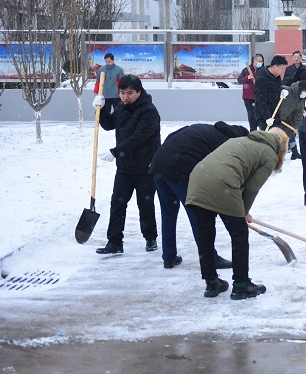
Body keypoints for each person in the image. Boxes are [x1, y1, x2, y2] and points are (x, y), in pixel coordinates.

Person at [185, 128, 288, 300]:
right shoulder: (270, 154)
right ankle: (241, 284)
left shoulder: (238, 140)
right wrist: (243, 212)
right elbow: (252, 187)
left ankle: (211, 282)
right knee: (239, 234)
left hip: (197, 180)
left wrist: (240, 209)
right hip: (223, 184)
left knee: (205, 234)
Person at [149, 121, 250, 269]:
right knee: (199, 215)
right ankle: (211, 258)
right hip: (179, 170)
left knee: (168, 213)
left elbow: (171, 137)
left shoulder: (206, 128)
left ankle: (169, 257)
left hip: (159, 164)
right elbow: (221, 176)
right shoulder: (226, 145)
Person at [93, 75, 160, 255]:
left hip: (146, 167)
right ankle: (114, 242)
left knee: (145, 204)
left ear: (139, 91)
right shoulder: (122, 108)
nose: (125, 97)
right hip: (124, 168)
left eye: (129, 93)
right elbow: (108, 125)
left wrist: (115, 152)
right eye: (122, 93)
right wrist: (102, 108)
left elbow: (138, 138)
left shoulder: (149, 112)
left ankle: (150, 237)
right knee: (117, 204)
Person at [276, 80, 306, 160]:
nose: (305, 93)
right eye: (305, 91)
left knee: (290, 132)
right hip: (275, 116)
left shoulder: (300, 99)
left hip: (286, 117)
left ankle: (294, 152)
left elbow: (298, 113)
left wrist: (297, 127)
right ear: (300, 89)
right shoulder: (287, 91)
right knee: (276, 135)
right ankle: (276, 154)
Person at [254, 55, 288, 130]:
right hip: (265, 116)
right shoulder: (262, 79)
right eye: (281, 69)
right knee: (268, 139)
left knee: (277, 138)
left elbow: (276, 89)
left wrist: (281, 90)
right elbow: (261, 100)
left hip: (275, 113)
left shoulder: (276, 77)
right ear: (275, 66)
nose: (281, 72)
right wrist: (267, 118)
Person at [237, 54, 264, 131]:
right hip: (248, 97)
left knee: (260, 116)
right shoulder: (246, 70)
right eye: (258, 61)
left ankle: (262, 132)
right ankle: (253, 132)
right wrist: (247, 78)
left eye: (261, 61)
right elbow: (239, 80)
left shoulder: (263, 70)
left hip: (259, 96)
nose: (260, 63)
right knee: (251, 116)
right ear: (254, 61)